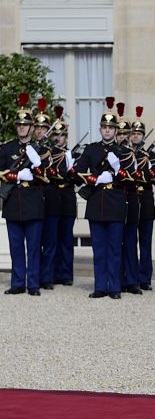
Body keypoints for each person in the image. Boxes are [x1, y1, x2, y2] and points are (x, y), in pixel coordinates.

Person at [73, 97, 127, 299]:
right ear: (100, 129)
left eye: (111, 128)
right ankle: (100, 286)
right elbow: (78, 172)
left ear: (115, 130)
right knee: (99, 249)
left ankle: (114, 287)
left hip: (116, 202)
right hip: (96, 202)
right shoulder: (91, 149)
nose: (107, 131)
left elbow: (130, 177)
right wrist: (94, 179)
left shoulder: (123, 151)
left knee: (114, 249)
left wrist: (116, 170)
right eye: (104, 127)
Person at [0, 93, 46, 296]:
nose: (21, 127)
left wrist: (34, 169)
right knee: (16, 246)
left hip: (33, 201)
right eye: (19, 124)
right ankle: (18, 283)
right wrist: (16, 176)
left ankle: (33, 284)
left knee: (34, 247)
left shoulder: (40, 149)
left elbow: (46, 176)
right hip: (13, 200)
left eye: (25, 124)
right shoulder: (6, 148)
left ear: (31, 127)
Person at [131, 106, 155, 291]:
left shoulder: (153, 157)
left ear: (144, 135)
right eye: (133, 133)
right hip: (131, 198)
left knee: (145, 241)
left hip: (146, 200)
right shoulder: (126, 155)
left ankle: (145, 277)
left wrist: (149, 168)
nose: (135, 136)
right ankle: (132, 275)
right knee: (129, 240)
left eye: (139, 133)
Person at [114, 102, 143, 295]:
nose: (123, 138)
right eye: (120, 134)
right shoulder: (111, 152)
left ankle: (132, 280)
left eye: (126, 135)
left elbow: (141, 176)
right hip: (115, 199)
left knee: (131, 240)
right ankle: (117, 278)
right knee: (116, 242)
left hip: (131, 198)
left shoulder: (136, 155)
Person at [48, 106, 78, 287]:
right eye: (55, 135)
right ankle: (50, 274)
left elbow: (78, 178)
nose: (58, 138)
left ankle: (65, 274)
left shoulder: (72, 154)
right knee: (51, 239)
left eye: (61, 135)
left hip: (66, 197)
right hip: (52, 196)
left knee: (66, 238)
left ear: (66, 137)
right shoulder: (47, 154)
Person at [32, 99, 58, 291]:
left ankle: (47, 276)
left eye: (44, 128)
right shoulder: (29, 149)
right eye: (38, 128)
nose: (40, 131)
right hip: (33, 198)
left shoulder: (54, 152)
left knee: (49, 241)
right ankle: (34, 275)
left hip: (50, 198)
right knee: (35, 241)